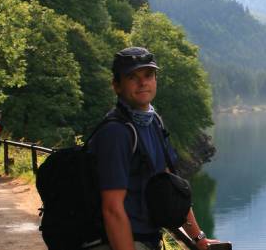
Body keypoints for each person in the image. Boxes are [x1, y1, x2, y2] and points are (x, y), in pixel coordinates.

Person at [87, 46, 223, 250]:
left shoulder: (153, 122)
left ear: (155, 80)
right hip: (122, 241)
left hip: (147, 238)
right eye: (132, 77)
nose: (143, 82)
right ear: (116, 86)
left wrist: (198, 237)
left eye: (148, 75)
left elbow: (171, 186)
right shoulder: (116, 132)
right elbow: (112, 209)